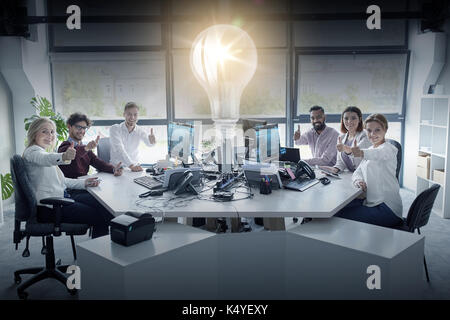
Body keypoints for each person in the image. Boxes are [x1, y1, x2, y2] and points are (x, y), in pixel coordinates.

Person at [23, 117, 113, 238]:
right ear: (34, 133)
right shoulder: (32, 152)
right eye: (44, 131)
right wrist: (64, 156)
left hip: (61, 198)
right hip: (50, 208)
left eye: (52, 132)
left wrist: (85, 183)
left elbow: (63, 180)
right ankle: (102, 252)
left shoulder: (43, 152)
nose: (49, 135)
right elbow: (45, 159)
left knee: (102, 204)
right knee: (100, 215)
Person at [335, 113, 403, 228]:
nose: (372, 134)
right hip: (372, 202)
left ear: (385, 129)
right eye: (369, 130)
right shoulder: (371, 148)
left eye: (377, 130)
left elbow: (376, 154)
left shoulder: (390, 149)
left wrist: (357, 152)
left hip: (387, 208)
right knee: (339, 206)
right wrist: (358, 181)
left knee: (339, 215)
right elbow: (358, 172)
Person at [58, 112, 123, 179]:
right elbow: (74, 155)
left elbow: (99, 163)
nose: (82, 131)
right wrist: (86, 148)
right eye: (78, 127)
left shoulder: (85, 149)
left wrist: (114, 169)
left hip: (85, 185)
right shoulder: (64, 147)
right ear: (69, 126)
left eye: (84, 128)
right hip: (71, 187)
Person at [320, 106, 371, 174]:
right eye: (346, 118)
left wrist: (347, 150)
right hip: (351, 175)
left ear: (359, 119)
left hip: (365, 174)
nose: (349, 121)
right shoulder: (341, 137)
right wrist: (335, 169)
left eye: (353, 118)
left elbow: (359, 158)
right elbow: (340, 162)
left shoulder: (366, 135)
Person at [109, 102, 157, 172]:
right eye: (129, 114)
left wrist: (153, 142)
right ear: (124, 115)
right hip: (117, 168)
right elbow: (119, 149)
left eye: (135, 115)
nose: (132, 117)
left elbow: (149, 144)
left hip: (134, 169)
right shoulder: (115, 129)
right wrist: (131, 166)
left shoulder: (140, 130)